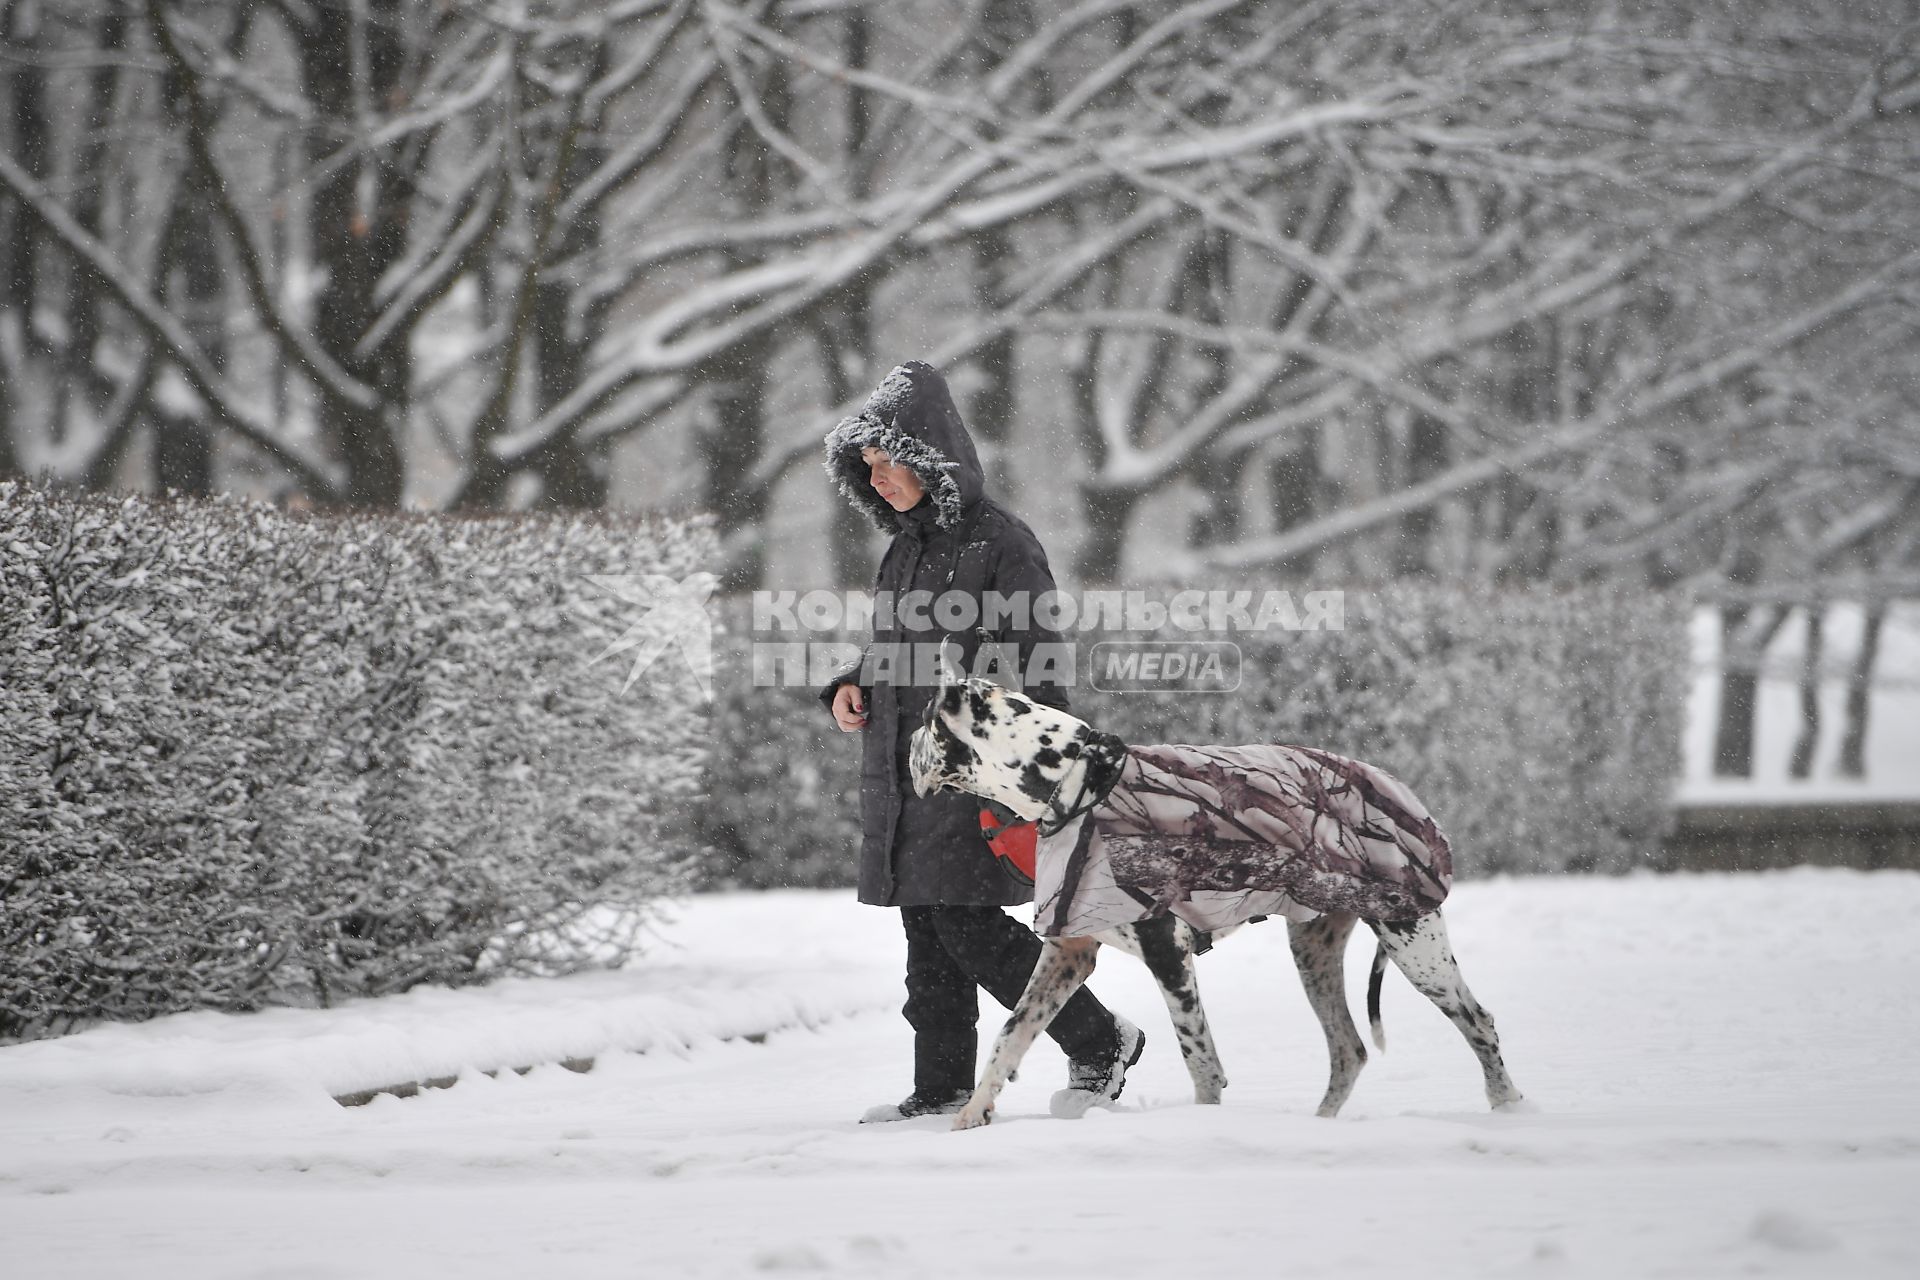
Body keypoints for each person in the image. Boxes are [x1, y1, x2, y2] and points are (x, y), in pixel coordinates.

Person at [818, 359, 1144, 1124]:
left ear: (929, 456)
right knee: (927, 931)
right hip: (905, 770)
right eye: (867, 466)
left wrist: (1036, 780)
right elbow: (892, 648)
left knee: (967, 923)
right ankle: (941, 1088)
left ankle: (1100, 1039)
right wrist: (847, 683)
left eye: (889, 461)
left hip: (974, 771)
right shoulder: (902, 549)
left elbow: (1039, 662)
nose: (880, 478)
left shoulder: (1001, 543)